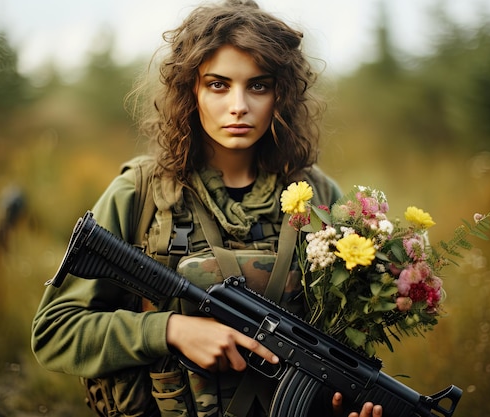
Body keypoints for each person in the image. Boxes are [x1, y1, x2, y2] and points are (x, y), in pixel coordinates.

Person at [31, 1, 383, 416]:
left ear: (280, 94)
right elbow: (54, 330)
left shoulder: (318, 197)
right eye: (218, 85)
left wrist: (344, 402)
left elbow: (346, 342)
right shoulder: (140, 192)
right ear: (190, 90)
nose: (239, 105)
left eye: (258, 86)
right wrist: (170, 329)